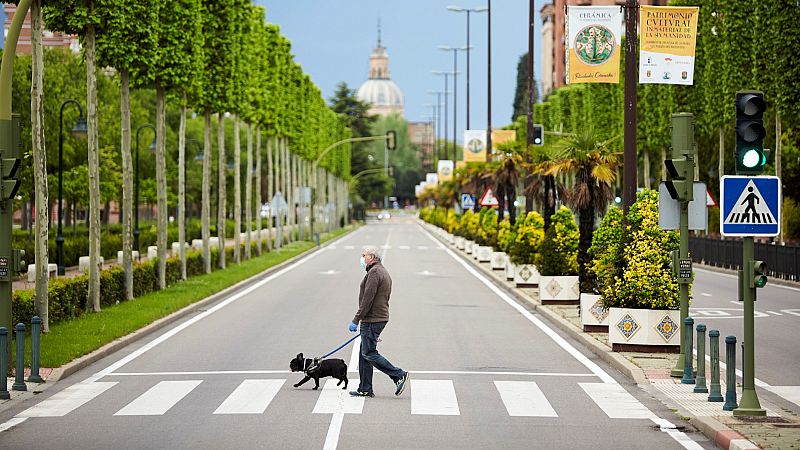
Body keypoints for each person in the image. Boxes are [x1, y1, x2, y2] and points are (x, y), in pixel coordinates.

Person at [348, 246, 409, 398]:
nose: (362, 258)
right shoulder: (379, 270)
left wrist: (356, 320)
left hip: (373, 319)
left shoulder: (375, 273)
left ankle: (398, 374)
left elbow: (368, 299)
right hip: (376, 319)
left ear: (372, 257)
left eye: (364, 255)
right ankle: (365, 388)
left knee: (369, 353)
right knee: (364, 354)